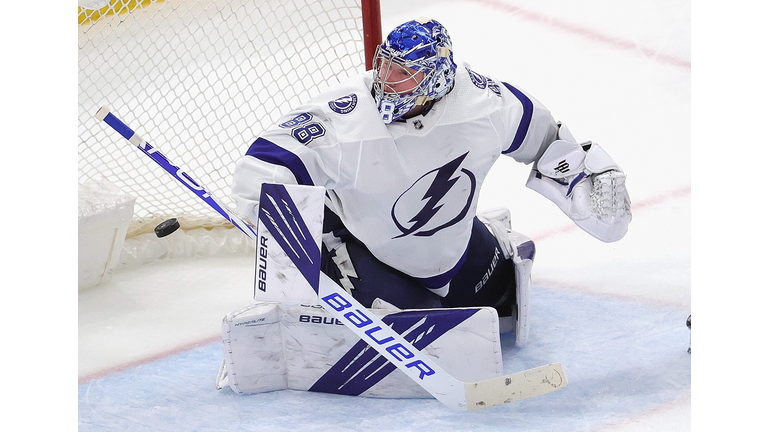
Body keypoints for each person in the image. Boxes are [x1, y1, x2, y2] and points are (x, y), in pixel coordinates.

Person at [231, 18, 631, 322]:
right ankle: (338, 260)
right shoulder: (344, 120)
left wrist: (581, 176)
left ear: (437, 79)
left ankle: (488, 232)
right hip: (370, 249)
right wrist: (287, 239)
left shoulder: (482, 104)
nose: (387, 81)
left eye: (403, 75)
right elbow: (266, 166)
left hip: (448, 247)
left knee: (499, 300)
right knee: (427, 329)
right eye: (385, 66)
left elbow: (544, 138)